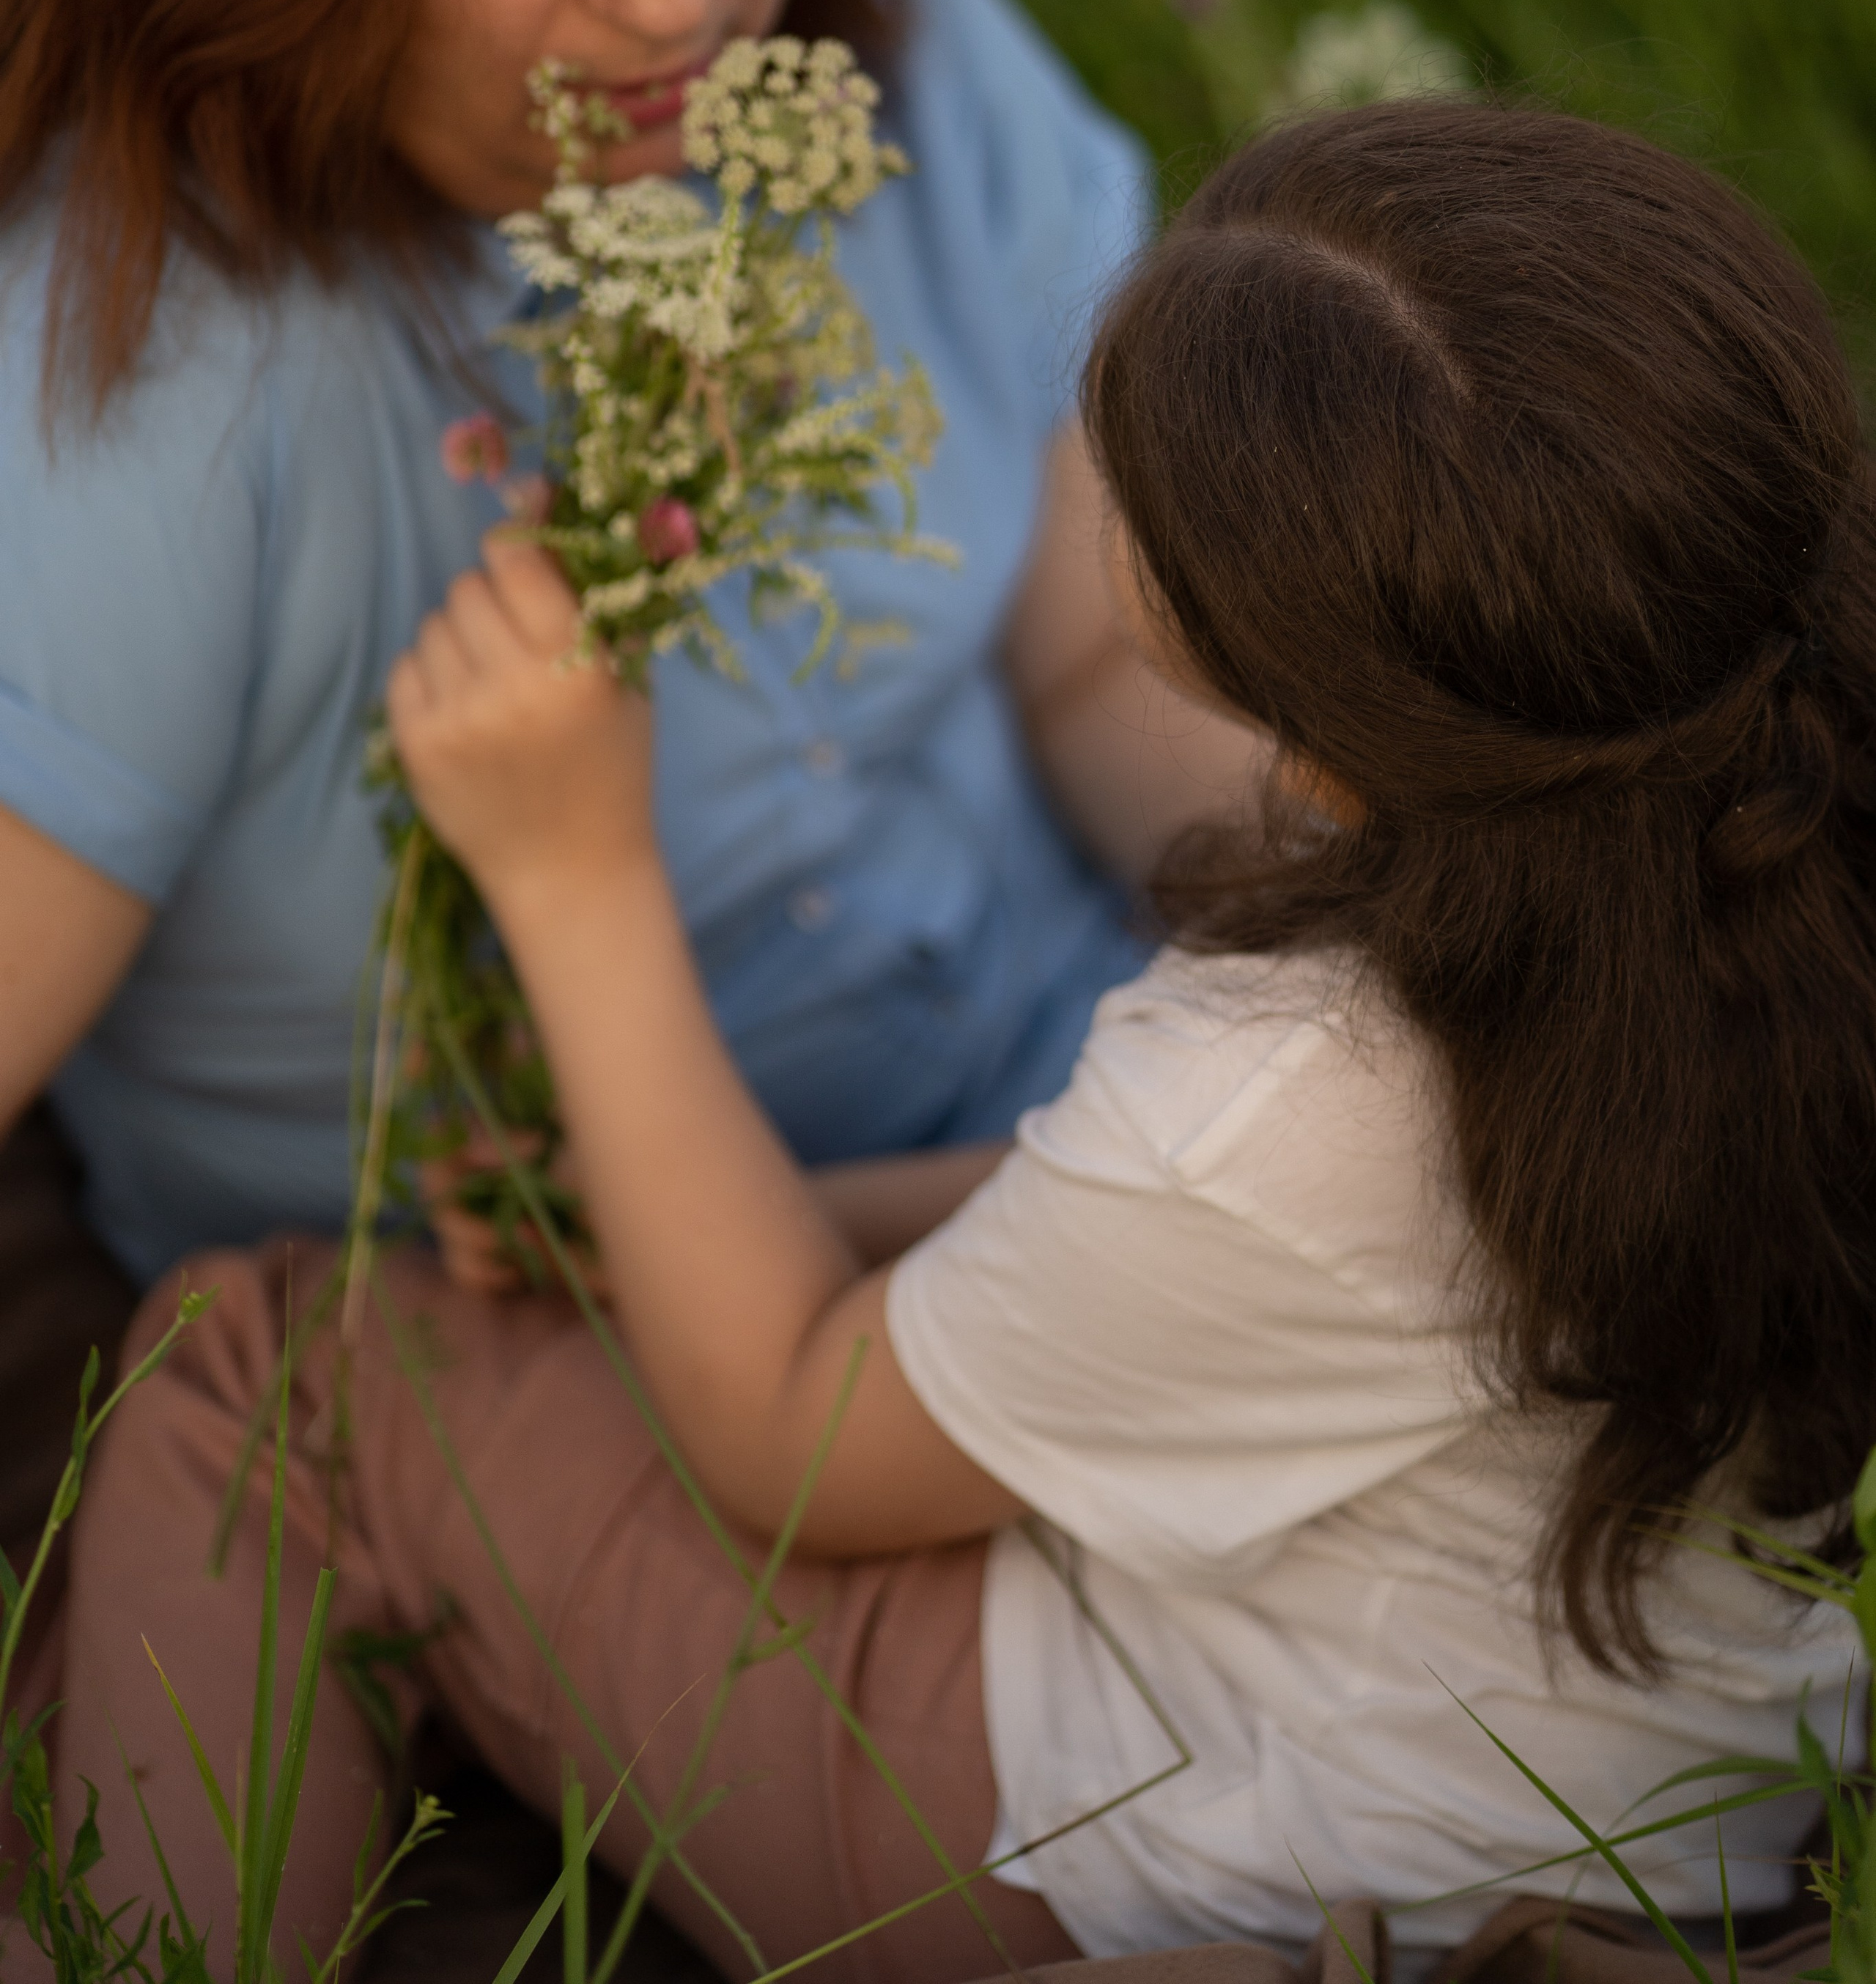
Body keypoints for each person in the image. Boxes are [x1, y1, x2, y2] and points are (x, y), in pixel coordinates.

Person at [53, 101, 1872, 1983]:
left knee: (285, 1369)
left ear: (1316, 740)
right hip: (1654, 1788)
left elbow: (792, 1450)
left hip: (1214, 1847)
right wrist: (767, 1215)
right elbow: (1248, 1258)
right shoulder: (1765, 830)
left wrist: (572, 864)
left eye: (1138, 496)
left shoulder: (1301, 1080)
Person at [0, 0, 1256, 1510]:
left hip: (1109, 1150)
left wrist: (1389, 973)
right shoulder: (151, 393)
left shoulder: (871, 34)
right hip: (628, 1392)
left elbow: (1093, 653)